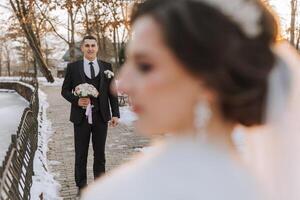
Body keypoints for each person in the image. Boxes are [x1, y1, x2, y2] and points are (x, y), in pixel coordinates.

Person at [81, 0, 297, 199]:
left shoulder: (120, 193)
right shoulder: (259, 190)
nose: (122, 85)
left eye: (145, 66)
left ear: (207, 79)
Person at [61, 35, 120, 196]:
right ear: (82, 48)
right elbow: (64, 91)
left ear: (97, 48)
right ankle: (82, 187)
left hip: (101, 116)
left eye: (93, 45)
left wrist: (115, 114)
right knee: (81, 153)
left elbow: (112, 93)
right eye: (87, 45)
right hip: (80, 118)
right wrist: (76, 100)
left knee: (99, 153)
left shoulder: (107, 66)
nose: (90, 48)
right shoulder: (73, 67)